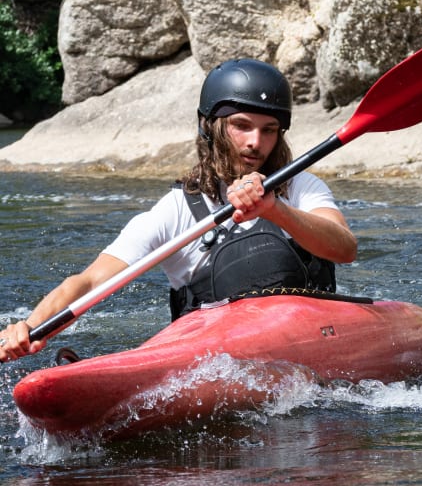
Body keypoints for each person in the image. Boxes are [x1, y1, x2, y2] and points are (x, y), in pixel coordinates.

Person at [0, 59, 358, 362]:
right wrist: (31, 327)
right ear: (209, 126)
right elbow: (91, 281)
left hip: (313, 339)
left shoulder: (300, 187)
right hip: (218, 359)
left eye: (269, 130)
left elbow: (345, 248)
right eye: (241, 125)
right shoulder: (175, 210)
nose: (255, 142)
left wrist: (275, 210)